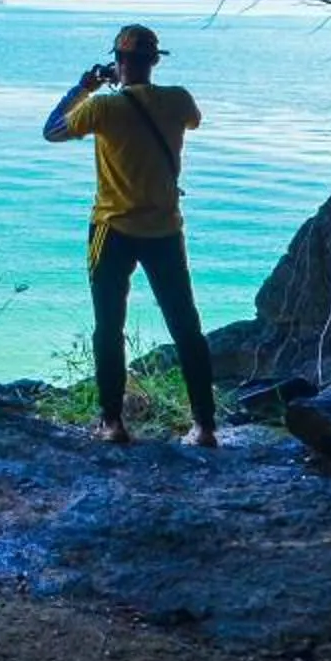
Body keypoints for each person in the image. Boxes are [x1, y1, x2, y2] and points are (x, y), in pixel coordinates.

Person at [43, 23, 218, 447]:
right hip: (164, 230)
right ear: (154, 62)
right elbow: (193, 121)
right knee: (186, 326)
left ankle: (112, 422)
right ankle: (204, 426)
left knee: (108, 327)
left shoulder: (102, 108)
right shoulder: (179, 101)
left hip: (112, 229)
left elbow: (52, 130)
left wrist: (84, 87)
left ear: (118, 63)